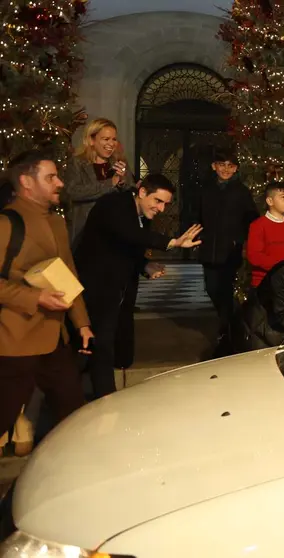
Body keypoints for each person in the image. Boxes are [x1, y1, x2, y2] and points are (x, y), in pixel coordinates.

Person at [74, 174, 202, 398]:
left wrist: (145, 265)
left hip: (118, 289)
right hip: (97, 287)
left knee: (110, 346)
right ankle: (103, 399)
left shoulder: (141, 213)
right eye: (158, 201)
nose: (161, 209)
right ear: (142, 192)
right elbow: (129, 234)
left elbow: (129, 245)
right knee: (98, 344)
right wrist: (171, 242)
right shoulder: (113, 205)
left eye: (165, 204)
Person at [0, 150, 91, 449]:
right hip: (14, 341)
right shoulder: (7, 223)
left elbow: (67, 274)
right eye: (50, 177)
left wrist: (82, 324)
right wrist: (36, 296)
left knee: (72, 411)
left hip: (55, 338)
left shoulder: (55, 222)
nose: (60, 183)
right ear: (27, 181)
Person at [197, 148, 257, 334]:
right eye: (222, 165)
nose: (225, 169)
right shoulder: (205, 189)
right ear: (214, 166)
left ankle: (227, 326)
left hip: (230, 249)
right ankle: (230, 321)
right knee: (211, 287)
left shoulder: (241, 191)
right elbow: (195, 213)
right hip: (208, 246)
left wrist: (239, 239)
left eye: (230, 166)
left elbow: (251, 217)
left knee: (224, 288)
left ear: (236, 168)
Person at [62, 118, 134, 247]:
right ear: (91, 140)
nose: (111, 144)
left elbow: (131, 194)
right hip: (86, 231)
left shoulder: (119, 162)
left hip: (114, 231)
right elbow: (71, 192)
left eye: (114, 139)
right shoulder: (77, 163)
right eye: (106, 139)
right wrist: (110, 183)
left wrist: (123, 182)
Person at [246, 182, 284, 288]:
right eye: (283, 197)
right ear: (270, 201)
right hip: (264, 283)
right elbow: (255, 256)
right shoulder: (258, 226)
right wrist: (283, 264)